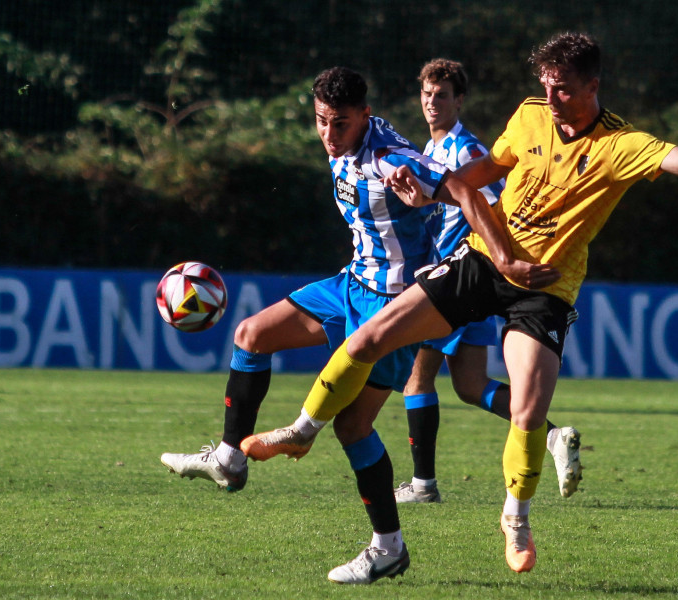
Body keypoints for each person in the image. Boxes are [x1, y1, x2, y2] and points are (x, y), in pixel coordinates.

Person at [242, 32, 678, 579]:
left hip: (544, 288)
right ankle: (300, 430)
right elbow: (480, 175)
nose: (550, 96)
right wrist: (431, 194)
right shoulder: (528, 117)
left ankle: (515, 519)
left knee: (526, 406)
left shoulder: (620, 145)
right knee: (368, 339)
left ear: (593, 87)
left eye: (563, 87)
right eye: (545, 83)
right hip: (482, 263)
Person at [161, 65, 539, 584]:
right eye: (320, 121)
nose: (328, 134)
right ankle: (230, 458)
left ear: (364, 116)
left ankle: (389, 547)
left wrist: (501, 256)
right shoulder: (347, 143)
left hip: (395, 308)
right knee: (251, 335)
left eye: (339, 124)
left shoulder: (393, 158)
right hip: (350, 285)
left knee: (352, 426)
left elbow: (470, 195)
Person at [395, 58, 581, 505]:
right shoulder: (432, 148)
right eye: (426, 94)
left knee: (417, 381)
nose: (432, 103)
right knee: (470, 386)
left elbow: (493, 206)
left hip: (463, 278)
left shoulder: (469, 152)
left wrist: (494, 260)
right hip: (462, 275)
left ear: (460, 100)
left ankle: (423, 486)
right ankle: (552, 437)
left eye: (442, 95)